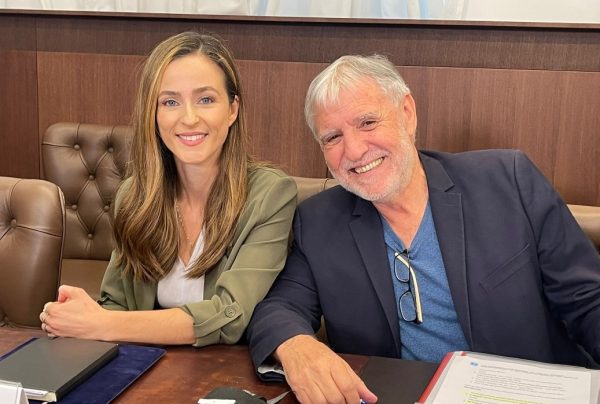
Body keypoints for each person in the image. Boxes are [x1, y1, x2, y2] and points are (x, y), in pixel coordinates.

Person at [246, 54, 600, 403]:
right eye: (333, 137)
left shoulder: (508, 181)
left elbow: (588, 300)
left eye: (368, 122)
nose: (353, 150)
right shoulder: (319, 220)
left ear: (407, 113)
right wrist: (295, 345)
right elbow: (279, 308)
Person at [39, 32, 297, 347]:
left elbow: (229, 316)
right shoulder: (134, 194)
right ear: (154, 114)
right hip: (143, 363)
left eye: (206, 99)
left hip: (224, 367)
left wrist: (100, 323)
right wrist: (79, 316)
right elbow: (116, 302)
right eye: (170, 102)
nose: (189, 118)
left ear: (232, 109)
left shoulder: (270, 195)